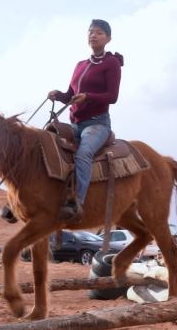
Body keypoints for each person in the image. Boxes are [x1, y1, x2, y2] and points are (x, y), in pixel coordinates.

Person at [48, 19, 124, 223]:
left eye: (99, 32)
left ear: (108, 38)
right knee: (45, 140)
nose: (94, 35)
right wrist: (59, 95)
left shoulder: (112, 63)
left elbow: (112, 96)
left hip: (97, 124)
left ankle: (76, 203)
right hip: (75, 124)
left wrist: (88, 96)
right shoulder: (80, 65)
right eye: (91, 32)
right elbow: (71, 94)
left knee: (83, 154)